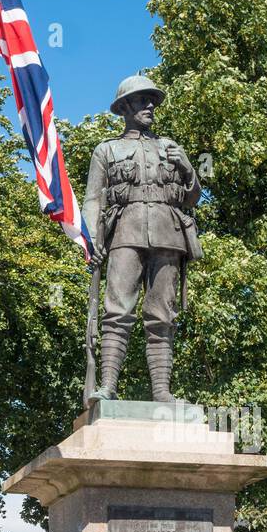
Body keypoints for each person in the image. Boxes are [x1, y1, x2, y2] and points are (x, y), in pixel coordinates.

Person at [81, 75, 202, 404]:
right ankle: (107, 387)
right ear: (124, 108)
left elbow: (191, 199)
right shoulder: (106, 150)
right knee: (118, 311)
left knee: (162, 315)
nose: (150, 105)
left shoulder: (171, 148)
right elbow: (92, 199)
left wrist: (189, 168)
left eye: (152, 100)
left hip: (169, 235)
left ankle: (162, 393)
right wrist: (93, 240)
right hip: (125, 233)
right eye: (141, 100)